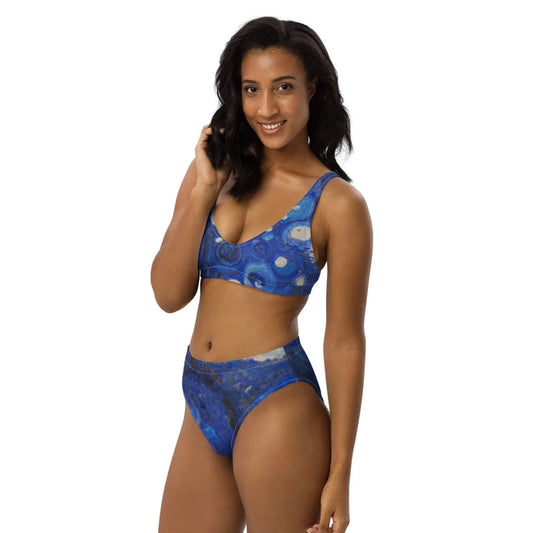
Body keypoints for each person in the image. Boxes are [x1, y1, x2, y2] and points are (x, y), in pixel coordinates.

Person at [151, 16, 372, 533]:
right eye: (252, 89)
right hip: (200, 395)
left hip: (277, 402)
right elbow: (168, 293)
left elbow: (344, 341)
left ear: (312, 88)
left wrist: (341, 474)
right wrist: (204, 191)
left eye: (283, 88)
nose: (266, 108)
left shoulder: (338, 204)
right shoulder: (215, 170)